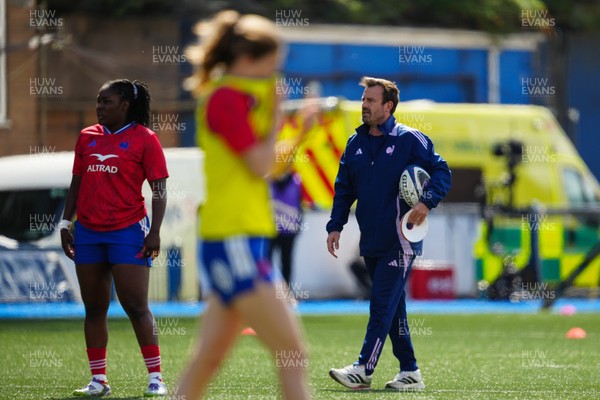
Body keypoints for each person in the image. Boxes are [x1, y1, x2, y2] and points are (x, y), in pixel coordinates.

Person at [175, 11, 310, 400]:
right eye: (272, 67)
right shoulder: (226, 98)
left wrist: (288, 127)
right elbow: (259, 164)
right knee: (293, 353)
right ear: (248, 61)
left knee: (208, 359)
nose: (275, 77)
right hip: (235, 240)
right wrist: (277, 119)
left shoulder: (232, 96)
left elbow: (263, 167)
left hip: (236, 239)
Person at [326, 77, 451, 391]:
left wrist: (426, 201)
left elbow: (441, 171)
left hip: (401, 240)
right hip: (371, 240)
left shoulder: (410, 140)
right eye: (364, 99)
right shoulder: (355, 144)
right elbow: (343, 191)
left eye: (371, 100)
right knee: (392, 308)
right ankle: (410, 372)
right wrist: (335, 226)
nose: (364, 105)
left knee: (380, 304)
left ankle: (363, 370)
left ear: (388, 106)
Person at [59, 79, 169, 397]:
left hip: (128, 231)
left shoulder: (145, 140)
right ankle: (99, 380)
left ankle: (156, 377)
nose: (99, 107)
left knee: (135, 305)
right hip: (89, 232)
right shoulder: (87, 137)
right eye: (98, 101)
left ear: (125, 105)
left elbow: (159, 189)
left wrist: (155, 232)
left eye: (106, 101)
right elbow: (76, 184)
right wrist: (67, 223)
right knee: (94, 307)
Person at [270, 171, 303, 286]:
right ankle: (269, 292)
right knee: (266, 262)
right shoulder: (268, 179)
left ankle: (286, 292)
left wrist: (298, 225)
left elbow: (299, 205)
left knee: (286, 261)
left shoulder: (296, 180)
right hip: (271, 230)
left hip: (289, 229)